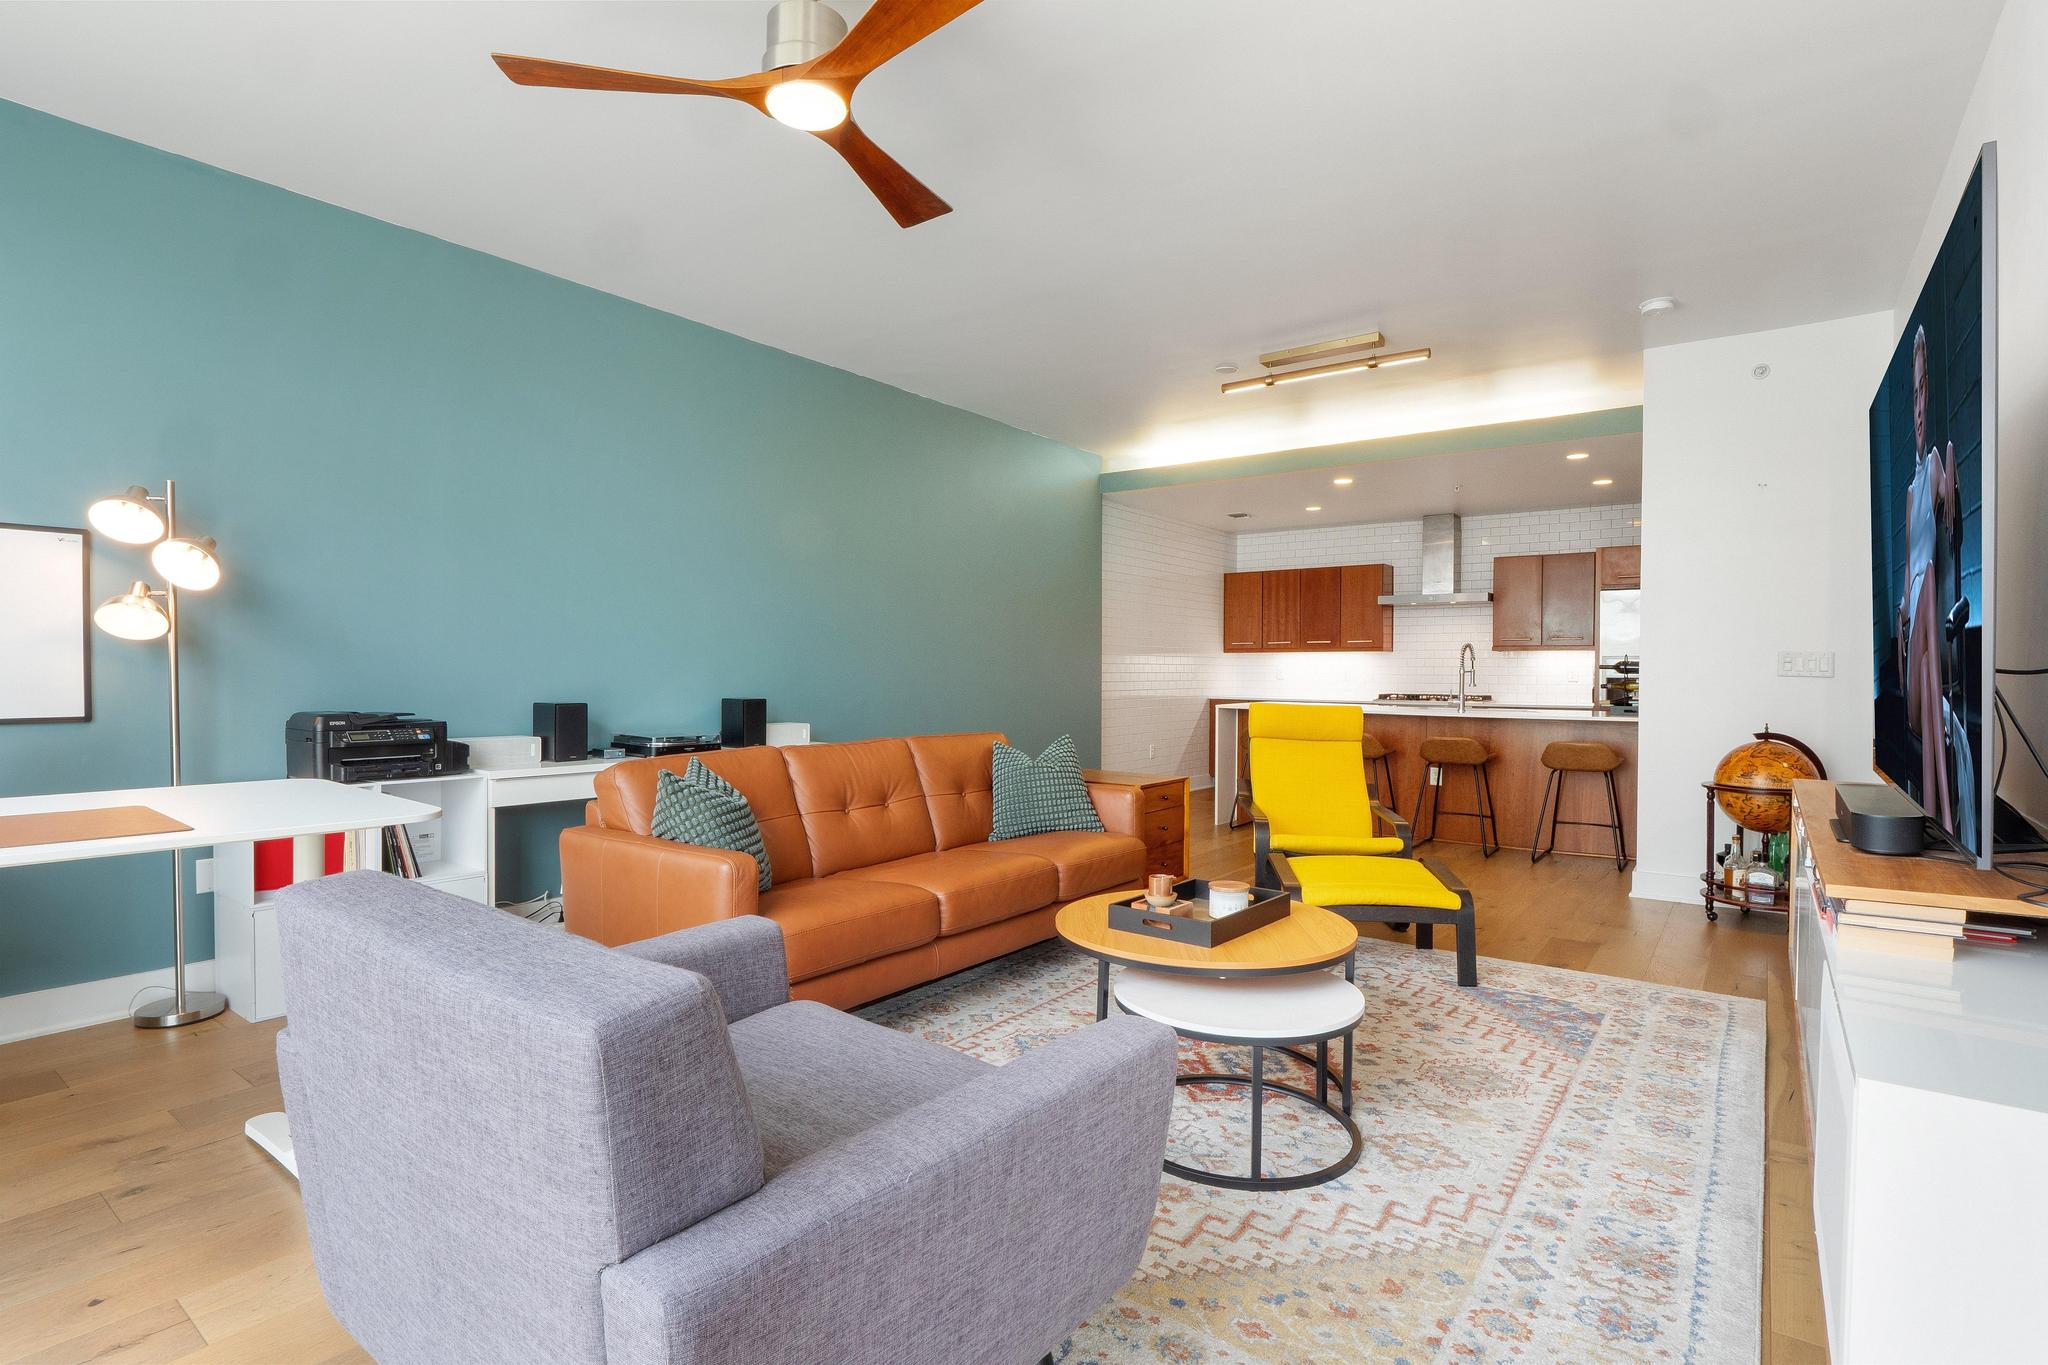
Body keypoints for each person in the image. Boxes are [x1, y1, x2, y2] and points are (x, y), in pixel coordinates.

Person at [1895, 324, 1968, 834]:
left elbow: (1953, 546)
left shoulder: (1941, 465)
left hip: (1934, 611)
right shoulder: (1908, 489)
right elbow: (1907, 568)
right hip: (1915, 615)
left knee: (1925, 601)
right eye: (1913, 393)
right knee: (1916, 607)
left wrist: (1954, 611)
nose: (1919, 404)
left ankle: (1938, 817)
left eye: (1923, 391)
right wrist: (1903, 609)